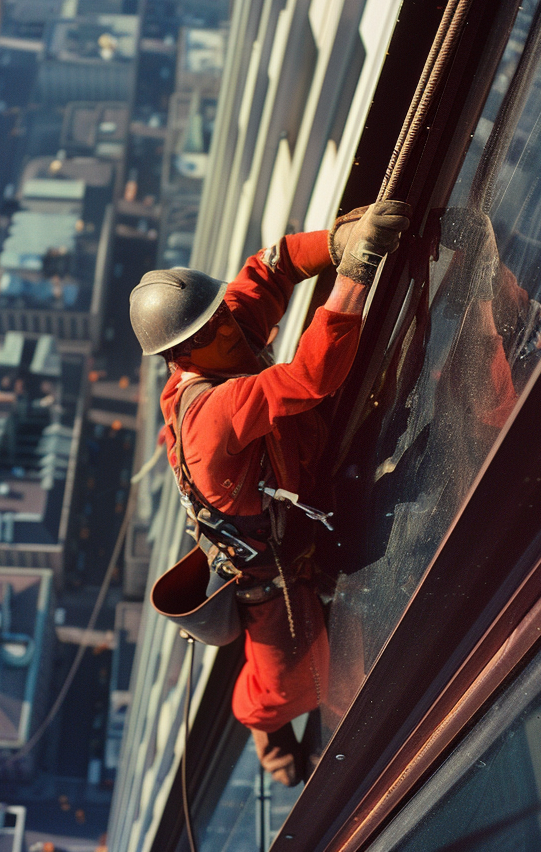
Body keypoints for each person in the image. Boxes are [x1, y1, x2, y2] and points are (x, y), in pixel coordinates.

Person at [128, 201, 410, 785]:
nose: (229, 330)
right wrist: (354, 275)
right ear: (181, 356)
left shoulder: (216, 334)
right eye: (210, 330)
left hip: (303, 511)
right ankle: (273, 744)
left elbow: (270, 268)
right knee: (286, 687)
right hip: (270, 578)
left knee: (330, 652)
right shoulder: (209, 417)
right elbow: (308, 378)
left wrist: (335, 244)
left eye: (221, 317)